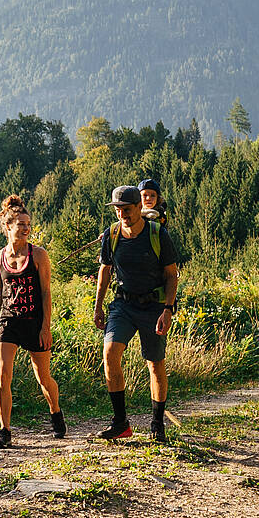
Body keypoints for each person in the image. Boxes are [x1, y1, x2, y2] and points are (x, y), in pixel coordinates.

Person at [92, 184, 182, 442]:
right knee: (110, 354)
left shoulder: (157, 234)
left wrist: (167, 309)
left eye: (127, 209)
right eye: (118, 210)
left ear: (141, 207)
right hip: (123, 304)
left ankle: (157, 423)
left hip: (154, 306)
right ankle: (120, 422)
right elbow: (105, 271)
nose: (123, 214)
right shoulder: (112, 234)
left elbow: (171, 274)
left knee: (155, 364)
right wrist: (98, 306)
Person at [0, 194, 64, 448]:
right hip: (8, 321)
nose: (27, 228)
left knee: (43, 377)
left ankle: (55, 411)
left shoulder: (39, 255)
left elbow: (45, 292)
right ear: (8, 227)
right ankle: (4, 430)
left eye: (28, 224)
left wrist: (45, 327)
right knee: (2, 375)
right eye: (21, 224)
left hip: (34, 321)